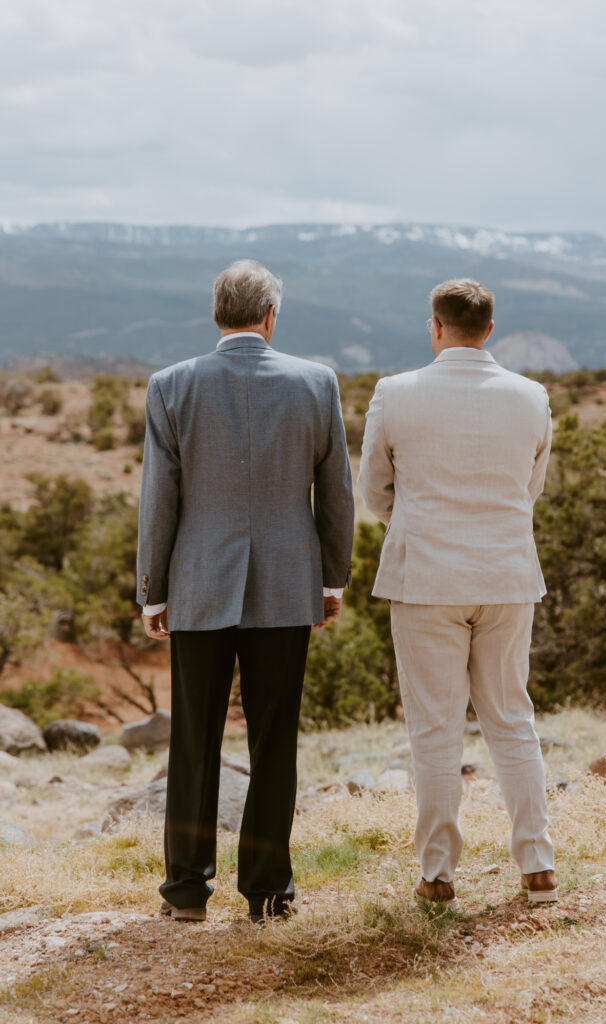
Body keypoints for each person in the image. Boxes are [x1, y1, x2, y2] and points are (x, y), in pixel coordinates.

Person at [137, 259, 355, 923]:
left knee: (194, 742)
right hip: (289, 588)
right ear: (269, 316)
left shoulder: (170, 385)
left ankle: (186, 893)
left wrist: (153, 591)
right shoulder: (316, 383)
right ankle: (266, 891)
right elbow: (336, 493)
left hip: (198, 585)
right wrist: (331, 578)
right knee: (274, 741)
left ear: (216, 314)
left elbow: (159, 498)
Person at [358, 278, 557, 904]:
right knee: (512, 720)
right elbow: (532, 487)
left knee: (435, 729)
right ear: (490, 330)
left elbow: (373, 491)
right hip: (506, 576)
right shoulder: (532, 396)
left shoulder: (394, 394)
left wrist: (417, 524)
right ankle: (538, 865)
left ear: (435, 326)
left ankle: (438, 874)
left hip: (425, 580)